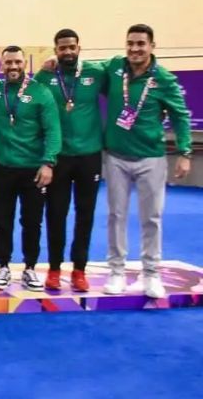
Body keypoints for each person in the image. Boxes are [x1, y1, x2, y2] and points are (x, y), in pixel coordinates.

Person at [101, 24, 192, 298]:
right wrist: (56, 60)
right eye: (130, 43)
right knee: (116, 215)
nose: (135, 49)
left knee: (151, 218)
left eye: (141, 44)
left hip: (151, 158)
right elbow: (86, 70)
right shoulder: (115, 67)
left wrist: (185, 153)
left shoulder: (164, 79)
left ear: (152, 46)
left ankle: (151, 273)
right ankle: (116, 271)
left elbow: (180, 115)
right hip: (116, 156)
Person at [34, 29, 107, 292]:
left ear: (79, 48)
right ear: (55, 50)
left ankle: (79, 270)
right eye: (62, 48)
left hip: (89, 156)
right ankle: (54, 268)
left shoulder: (96, 73)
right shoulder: (44, 77)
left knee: (85, 214)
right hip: (59, 158)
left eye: (71, 47)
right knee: (55, 214)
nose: (67, 52)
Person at [0, 46, 61, 292]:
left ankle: (30, 268)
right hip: (1, 168)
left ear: (24, 64)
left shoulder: (41, 92)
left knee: (32, 222)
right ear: (1, 64)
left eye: (18, 62)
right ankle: (3, 266)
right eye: (8, 62)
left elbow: (52, 130)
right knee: (2, 221)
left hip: (33, 170)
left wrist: (48, 162)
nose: (13, 67)